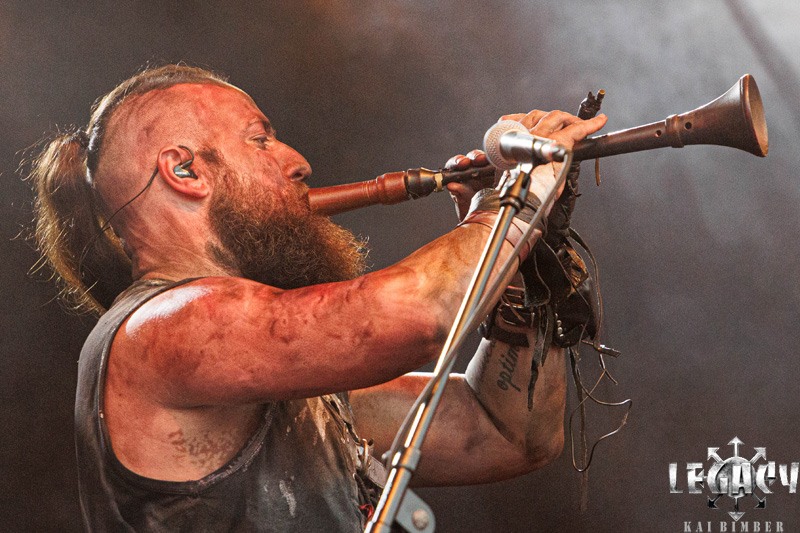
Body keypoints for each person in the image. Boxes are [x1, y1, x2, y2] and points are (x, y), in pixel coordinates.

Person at [29, 64, 607, 531]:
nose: (297, 162)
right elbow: (416, 316)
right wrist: (510, 207)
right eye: (260, 139)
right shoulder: (163, 328)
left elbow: (505, 433)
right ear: (185, 170)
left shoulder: (277, 379)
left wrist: (527, 264)